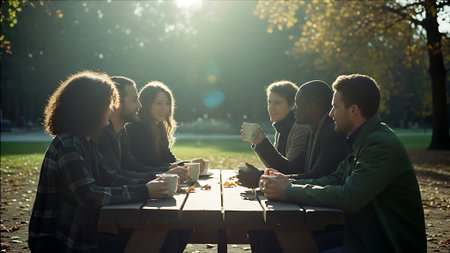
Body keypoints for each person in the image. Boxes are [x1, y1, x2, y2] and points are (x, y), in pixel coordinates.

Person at [261, 74, 427, 252]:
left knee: (281, 241)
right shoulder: (361, 139)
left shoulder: (379, 144)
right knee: (267, 235)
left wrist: (288, 190)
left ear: (353, 110)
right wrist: (289, 183)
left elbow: (350, 197)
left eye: (335, 107)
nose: (330, 114)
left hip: (386, 243)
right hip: (362, 233)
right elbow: (335, 179)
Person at [28, 71, 168, 253]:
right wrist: (145, 190)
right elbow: (89, 194)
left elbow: (111, 177)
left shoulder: (87, 142)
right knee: (158, 240)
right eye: (109, 103)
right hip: (60, 243)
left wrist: (157, 180)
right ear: (92, 107)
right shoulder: (68, 144)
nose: (113, 108)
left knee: (167, 236)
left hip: (82, 235)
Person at [238, 80, 347, 189]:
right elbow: (291, 168)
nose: (295, 109)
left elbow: (316, 178)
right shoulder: (316, 132)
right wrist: (263, 173)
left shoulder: (332, 135)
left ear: (311, 107)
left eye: (298, 104)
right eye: (269, 102)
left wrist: (261, 179)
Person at [94, 76, 188, 182]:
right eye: (134, 100)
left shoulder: (122, 133)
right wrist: (162, 176)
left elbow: (134, 166)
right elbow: (114, 177)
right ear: (116, 103)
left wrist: (170, 170)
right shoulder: (104, 135)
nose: (139, 105)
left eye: (167, 104)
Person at [126, 81, 205, 171]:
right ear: (147, 105)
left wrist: (190, 163)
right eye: (159, 103)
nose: (164, 108)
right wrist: (184, 166)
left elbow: (170, 159)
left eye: (167, 104)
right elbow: (152, 163)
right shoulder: (138, 129)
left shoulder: (159, 128)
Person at [241, 80, 310, 168]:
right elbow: (274, 167)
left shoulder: (300, 129)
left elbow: (289, 169)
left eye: (277, 103)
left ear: (292, 105)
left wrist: (262, 143)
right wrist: (258, 143)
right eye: (269, 103)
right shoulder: (281, 127)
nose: (271, 108)